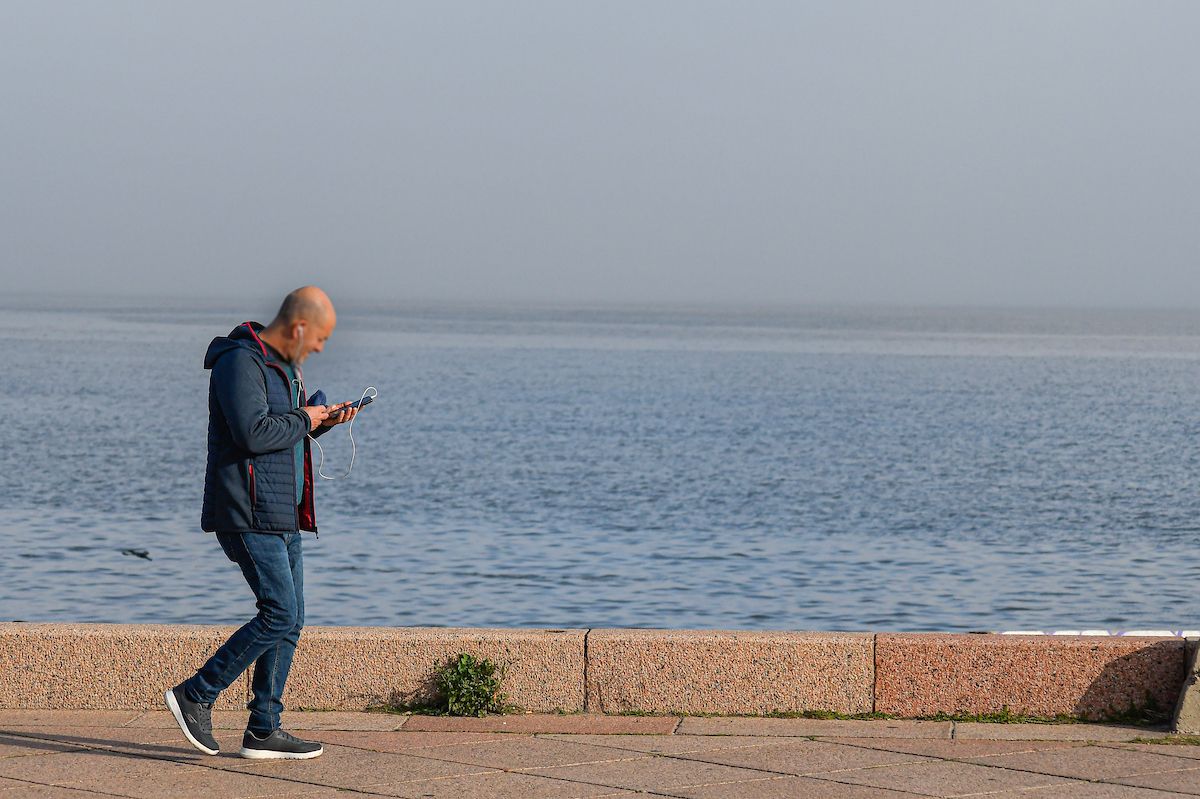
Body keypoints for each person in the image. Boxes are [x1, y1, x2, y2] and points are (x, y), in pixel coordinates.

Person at [165, 286, 357, 759]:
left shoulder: (284, 368)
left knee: (292, 620)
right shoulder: (240, 361)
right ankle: (196, 694)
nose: (319, 348)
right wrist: (306, 418)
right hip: (247, 513)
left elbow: (283, 428)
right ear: (298, 327)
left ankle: (264, 728)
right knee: (279, 613)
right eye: (319, 339)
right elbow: (252, 432)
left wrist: (322, 420)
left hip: (283, 513)